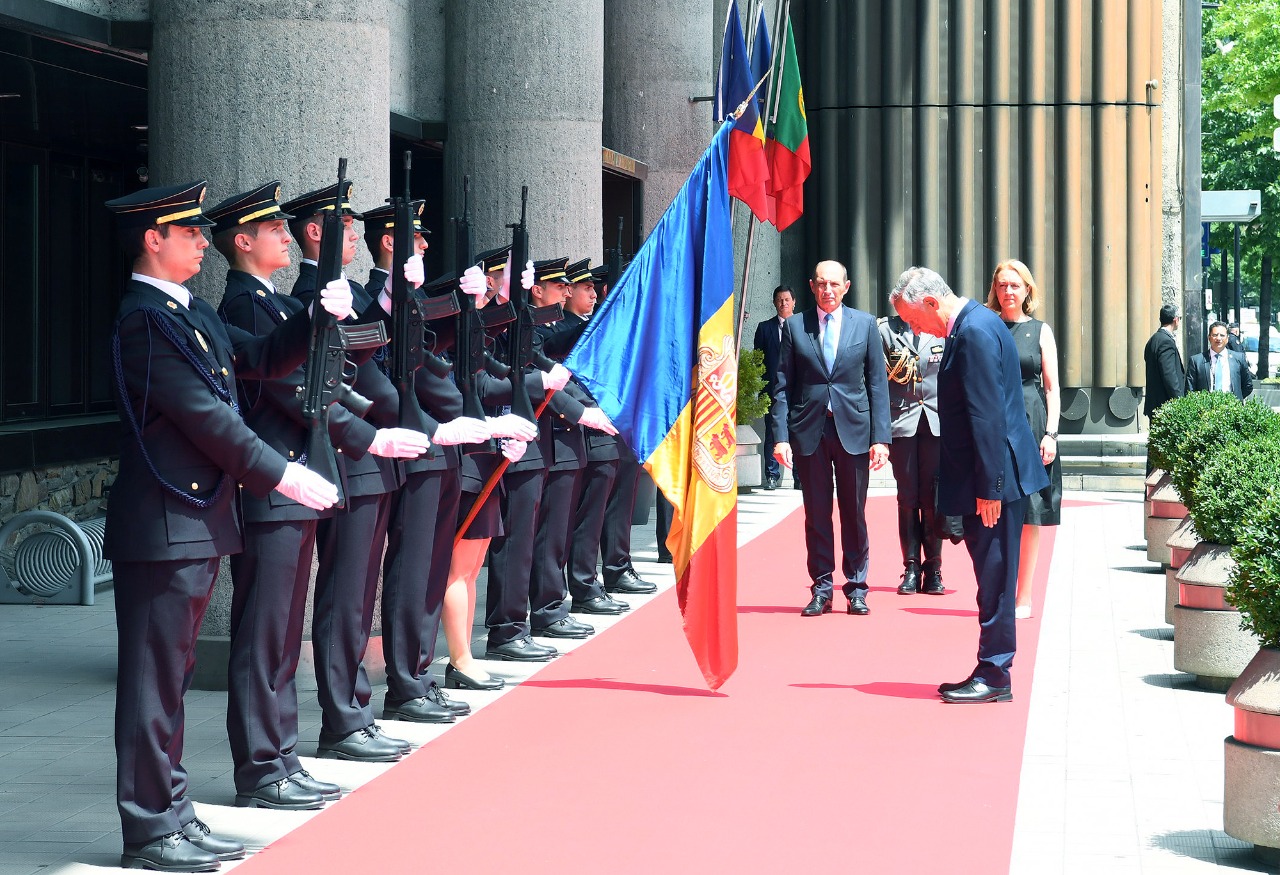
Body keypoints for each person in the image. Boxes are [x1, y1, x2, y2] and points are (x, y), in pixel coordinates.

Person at [104, 180, 351, 871]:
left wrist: (312, 318)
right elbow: (204, 417)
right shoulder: (142, 321)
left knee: (172, 677)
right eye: (187, 232)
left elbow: (261, 361)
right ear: (152, 239)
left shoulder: (194, 314)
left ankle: (174, 812)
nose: (200, 242)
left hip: (194, 519)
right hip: (163, 521)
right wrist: (278, 472)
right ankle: (151, 825)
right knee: (155, 683)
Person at [210, 182, 430, 813]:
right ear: (245, 242)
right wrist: (371, 435)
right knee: (263, 632)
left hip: (300, 480)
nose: (285, 234)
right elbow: (290, 390)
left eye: (287, 226)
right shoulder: (250, 307)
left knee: (281, 633)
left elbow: (328, 379)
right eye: (274, 229)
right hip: (277, 482)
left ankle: (279, 756)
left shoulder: (275, 306)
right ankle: (261, 766)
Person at [890, 267, 1049, 704]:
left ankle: (995, 673)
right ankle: (991, 667)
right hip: (993, 476)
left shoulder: (975, 331)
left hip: (994, 481)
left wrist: (990, 489)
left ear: (930, 302)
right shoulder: (978, 321)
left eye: (914, 319)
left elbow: (986, 415)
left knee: (996, 577)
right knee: (992, 575)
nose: (914, 328)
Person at [770, 260, 891, 617]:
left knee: (854, 512)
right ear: (811, 286)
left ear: (846, 286)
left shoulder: (866, 325)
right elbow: (781, 387)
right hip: (810, 432)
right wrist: (780, 437)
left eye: (834, 284)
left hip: (853, 431)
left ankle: (857, 587)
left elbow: (877, 385)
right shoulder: (795, 326)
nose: (828, 290)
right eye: (821, 283)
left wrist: (880, 438)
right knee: (816, 514)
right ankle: (822, 587)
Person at [986, 259, 1062, 620]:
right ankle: (998, 589)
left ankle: (1024, 593)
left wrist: (1051, 434)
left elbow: (1052, 388)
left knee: (1031, 513)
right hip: (995, 425)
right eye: (1002, 285)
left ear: (1027, 289)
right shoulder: (987, 327)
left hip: (1033, 426)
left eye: (1015, 285)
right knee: (995, 510)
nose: (1008, 292)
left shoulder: (1040, 330)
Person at [878, 313, 945, 595]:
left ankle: (934, 569)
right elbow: (877, 383)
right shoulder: (885, 330)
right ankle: (911, 567)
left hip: (936, 423)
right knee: (907, 496)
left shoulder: (940, 328)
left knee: (932, 497)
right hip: (902, 423)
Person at [754, 285, 795, 489]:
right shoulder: (764, 328)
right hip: (772, 390)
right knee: (772, 432)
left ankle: (800, 477)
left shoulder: (803, 325)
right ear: (774, 302)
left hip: (798, 391)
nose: (783, 303)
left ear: (793, 302)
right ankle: (771, 476)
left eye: (787, 299)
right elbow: (758, 362)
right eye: (779, 299)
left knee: (798, 433)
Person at [1186, 320, 1253, 400]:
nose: (1218, 338)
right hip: (1205, 410)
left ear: (1227, 338)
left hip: (1232, 408)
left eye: (1222, 335)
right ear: (1209, 338)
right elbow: (1190, 390)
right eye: (1215, 335)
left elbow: (1248, 385)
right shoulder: (1196, 361)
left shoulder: (1239, 358)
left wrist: (1236, 400)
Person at [1143, 304, 1185, 422]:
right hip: (1165, 404)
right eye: (1179, 319)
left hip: (1156, 403)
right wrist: (1179, 401)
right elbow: (1169, 375)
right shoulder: (1165, 342)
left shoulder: (1154, 339)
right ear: (1175, 320)